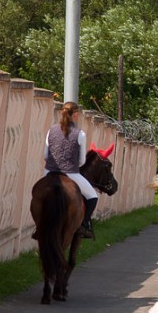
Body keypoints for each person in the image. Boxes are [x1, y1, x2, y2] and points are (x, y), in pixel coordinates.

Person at [42, 101, 99, 239]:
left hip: (49, 172)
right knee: (93, 197)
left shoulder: (51, 131)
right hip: (71, 173)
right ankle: (84, 225)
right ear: (75, 115)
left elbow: (45, 155)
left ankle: (39, 227)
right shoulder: (80, 134)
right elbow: (82, 161)